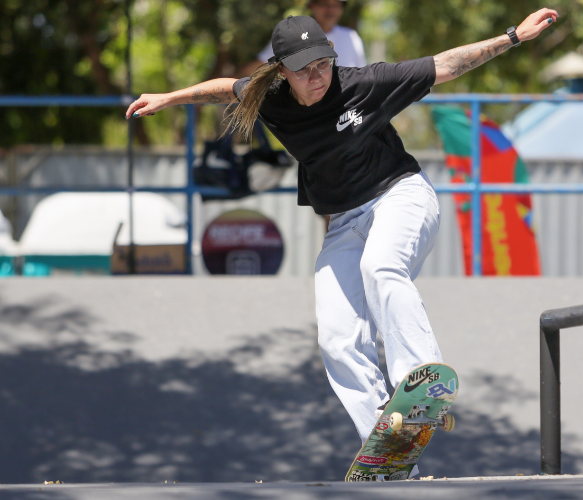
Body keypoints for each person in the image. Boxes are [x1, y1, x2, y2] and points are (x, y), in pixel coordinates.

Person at [126, 8, 558, 471]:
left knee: (381, 267)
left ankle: (420, 382)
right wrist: (169, 98)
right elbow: (221, 88)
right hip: (346, 220)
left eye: (323, 64)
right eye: (304, 70)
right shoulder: (267, 95)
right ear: (281, 71)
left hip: (401, 198)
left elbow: (446, 64)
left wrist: (513, 37)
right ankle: (391, 447)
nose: (317, 77)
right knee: (335, 337)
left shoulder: (364, 83)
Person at [238, 0, 366, 78]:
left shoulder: (351, 37)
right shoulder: (293, 33)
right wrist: (233, 83)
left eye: (336, 5)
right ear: (312, 5)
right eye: (325, 3)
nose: (331, 9)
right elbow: (261, 65)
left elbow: (361, 76)